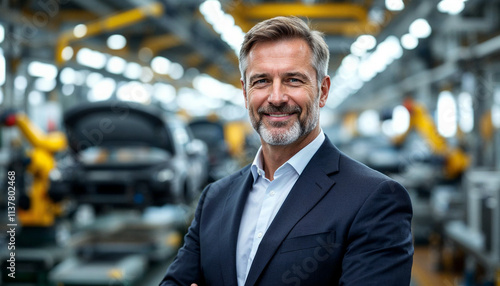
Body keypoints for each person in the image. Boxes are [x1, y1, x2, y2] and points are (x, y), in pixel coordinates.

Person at [159, 16, 413, 286]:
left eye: (293, 80)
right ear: (245, 93)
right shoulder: (215, 198)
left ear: (322, 91)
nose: (277, 97)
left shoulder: (375, 199)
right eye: (261, 81)